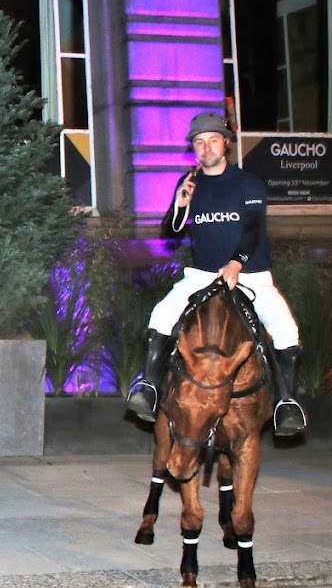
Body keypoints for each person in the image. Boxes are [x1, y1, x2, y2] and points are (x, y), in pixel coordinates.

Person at [126, 112, 307, 435]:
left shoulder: (248, 184)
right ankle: (149, 387)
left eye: (212, 140)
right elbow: (170, 232)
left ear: (225, 143)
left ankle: (286, 403)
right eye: (199, 142)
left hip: (250, 274)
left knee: (285, 328)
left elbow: (253, 231)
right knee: (162, 312)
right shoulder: (190, 185)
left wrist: (236, 263)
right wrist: (180, 203)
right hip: (201, 275)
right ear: (194, 149)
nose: (206, 147)